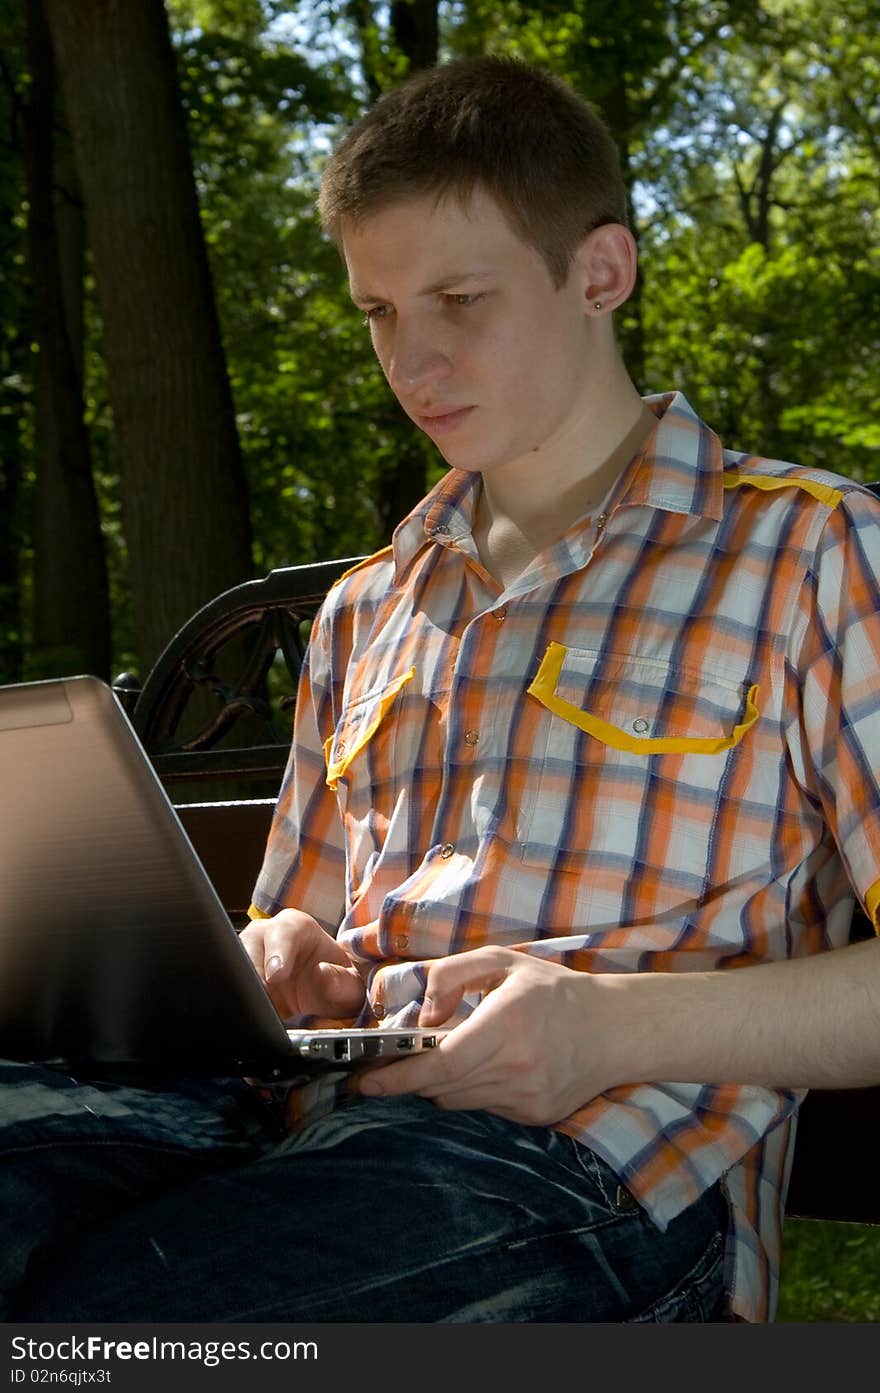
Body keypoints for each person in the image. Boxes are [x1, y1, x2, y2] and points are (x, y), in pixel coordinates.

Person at [4, 55, 880, 1326]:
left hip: (596, 1182)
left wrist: (607, 1026)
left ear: (599, 273)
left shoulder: (812, 552)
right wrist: (280, 957)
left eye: (458, 299)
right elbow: (295, 926)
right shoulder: (371, 602)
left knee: (112, 1325)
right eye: (377, 311)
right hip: (289, 1125)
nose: (411, 360)